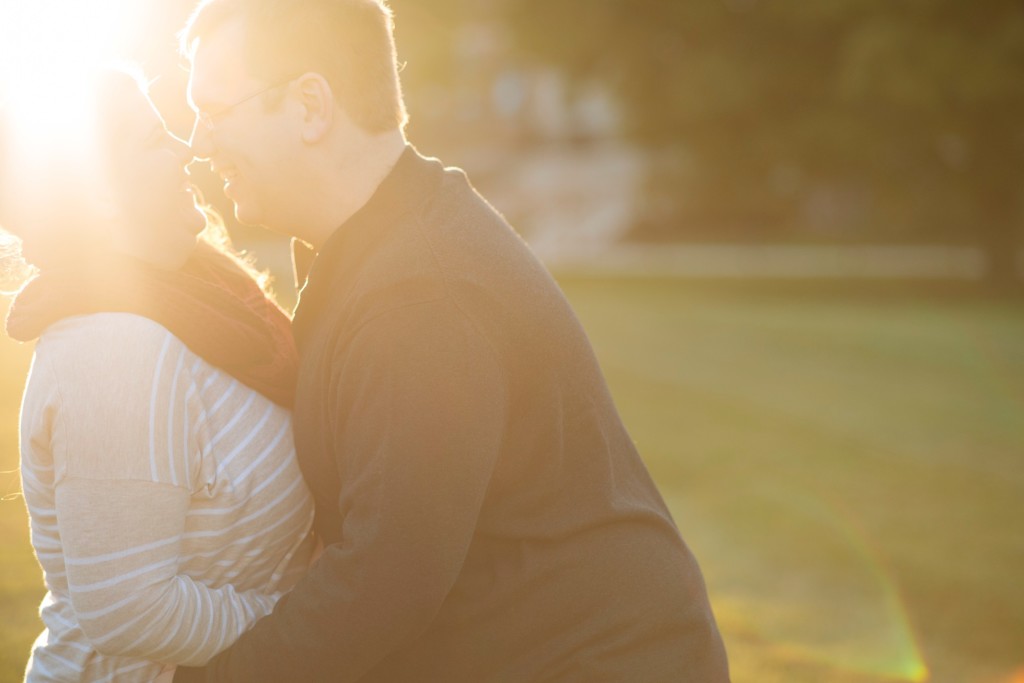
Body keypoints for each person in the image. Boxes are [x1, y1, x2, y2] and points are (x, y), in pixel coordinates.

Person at [175, 0, 730, 680]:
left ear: (310, 106)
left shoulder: (419, 295)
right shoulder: (383, 240)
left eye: (214, 109)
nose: (199, 142)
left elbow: (382, 586)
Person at [0, 68, 317, 682]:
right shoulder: (110, 348)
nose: (188, 148)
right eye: (153, 139)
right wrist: (318, 628)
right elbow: (128, 610)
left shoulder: (191, 293)